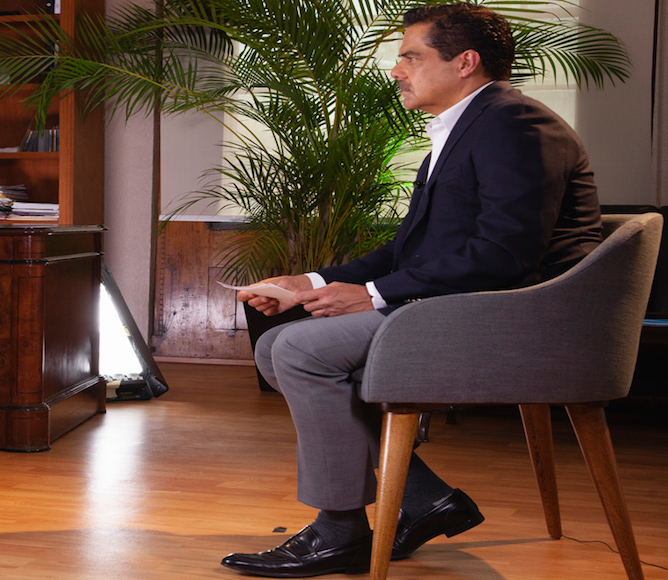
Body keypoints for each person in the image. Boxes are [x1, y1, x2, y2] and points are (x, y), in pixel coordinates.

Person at [221, 3, 601, 577]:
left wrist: (372, 294)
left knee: (298, 349)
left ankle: (340, 531)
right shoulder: (466, 128)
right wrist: (312, 281)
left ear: (465, 62)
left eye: (411, 57)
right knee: (275, 347)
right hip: (471, 307)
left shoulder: (516, 124)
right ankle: (423, 499)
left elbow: (505, 254)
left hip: (520, 323)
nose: (397, 70)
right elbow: (407, 249)